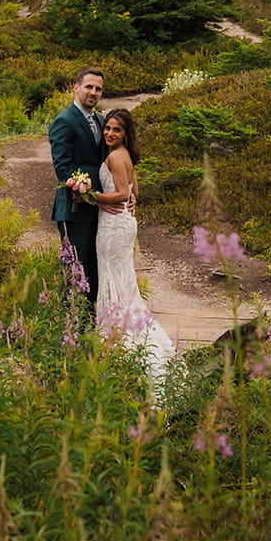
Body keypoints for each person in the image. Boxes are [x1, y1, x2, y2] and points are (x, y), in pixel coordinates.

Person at [93, 108, 175, 377]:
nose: (109, 133)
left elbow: (119, 194)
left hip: (113, 225)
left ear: (126, 133)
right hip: (124, 223)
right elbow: (133, 192)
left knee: (113, 278)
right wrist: (128, 199)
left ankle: (118, 341)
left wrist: (94, 196)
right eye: (107, 128)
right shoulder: (126, 155)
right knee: (123, 280)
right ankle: (124, 333)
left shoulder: (116, 157)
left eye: (116, 129)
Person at [48, 67, 105, 307]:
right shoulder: (64, 121)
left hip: (99, 208)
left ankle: (90, 324)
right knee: (75, 269)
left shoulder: (101, 120)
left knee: (94, 267)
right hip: (75, 207)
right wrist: (81, 188)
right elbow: (62, 167)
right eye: (89, 87)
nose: (93, 92)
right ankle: (69, 326)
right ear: (76, 87)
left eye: (98, 89)